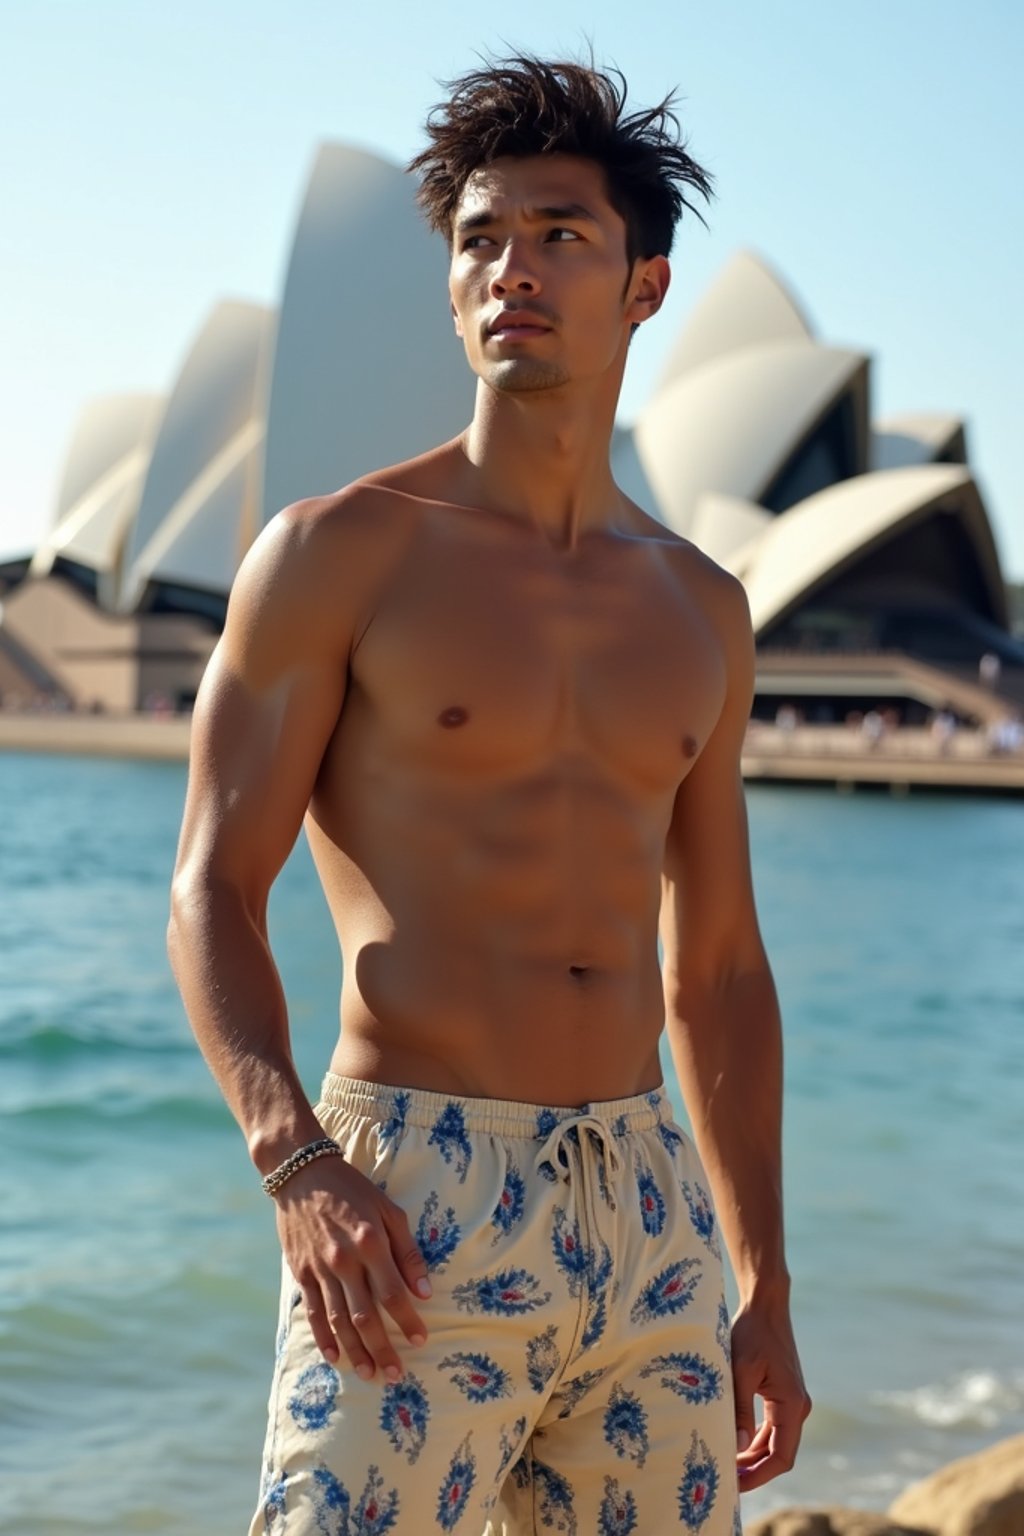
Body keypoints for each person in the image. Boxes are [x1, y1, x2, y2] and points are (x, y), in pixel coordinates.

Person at [168, 54, 810, 1535]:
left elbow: (715, 965)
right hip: (409, 1199)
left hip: (647, 1207)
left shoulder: (702, 605)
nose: (510, 269)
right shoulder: (339, 553)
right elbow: (211, 889)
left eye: (560, 235)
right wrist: (298, 1165)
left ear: (645, 287)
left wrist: (763, 1280)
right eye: (480, 239)